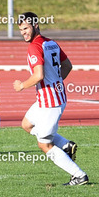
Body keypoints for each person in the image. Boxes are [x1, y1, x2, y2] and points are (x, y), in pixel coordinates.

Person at [13, 12, 87, 185]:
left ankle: (79, 175)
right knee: (27, 124)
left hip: (50, 103)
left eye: (26, 28)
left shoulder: (34, 47)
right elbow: (67, 66)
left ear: (35, 25)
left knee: (44, 145)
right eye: (21, 30)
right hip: (49, 98)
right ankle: (66, 145)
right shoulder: (51, 43)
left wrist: (22, 85)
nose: (23, 33)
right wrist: (56, 81)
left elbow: (38, 75)